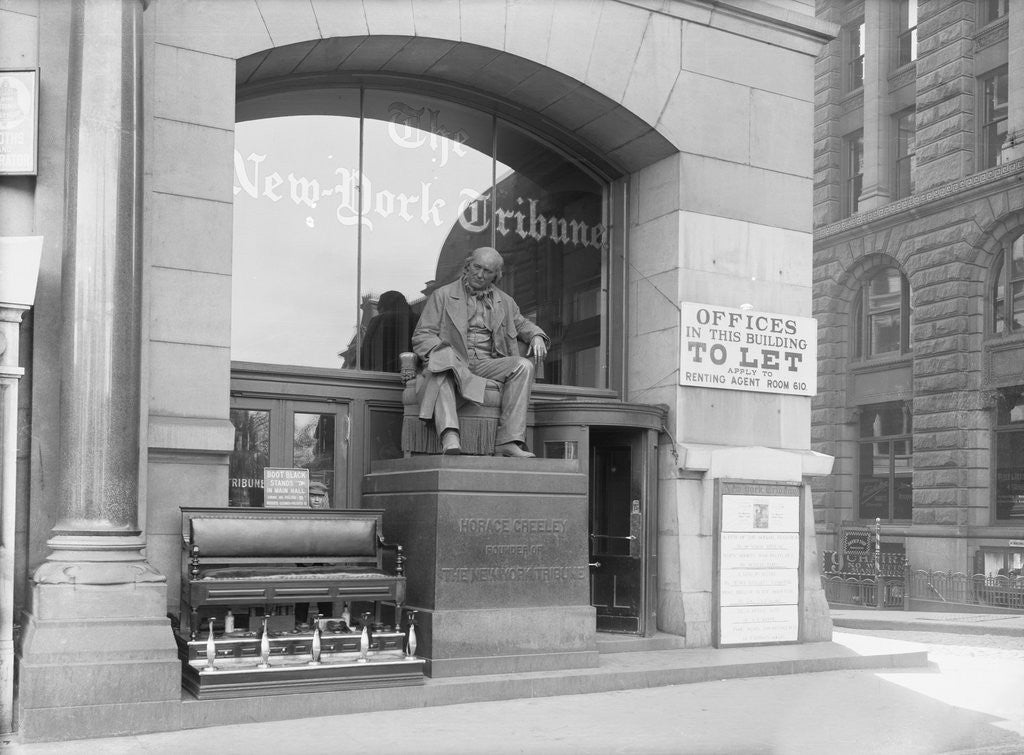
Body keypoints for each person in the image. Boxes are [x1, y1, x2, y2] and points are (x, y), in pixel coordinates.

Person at [411, 246, 548, 458]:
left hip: (487, 362)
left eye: (487, 271)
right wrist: (442, 352)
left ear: (496, 275)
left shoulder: (506, 302)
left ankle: (508, 442)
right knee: (443, 367)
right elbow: (422, 335)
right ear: (467, 265)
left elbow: (523, 325)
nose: (480, 275)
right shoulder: (443, 295)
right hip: (454, 361)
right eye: (476, 267)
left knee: (524, 365)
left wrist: (537, 336)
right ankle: (449, 435)